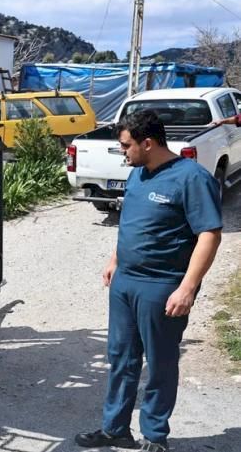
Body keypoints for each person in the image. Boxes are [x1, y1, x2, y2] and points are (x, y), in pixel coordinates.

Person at [75, 110, 222, 452]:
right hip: (126, 282)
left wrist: (187, 287)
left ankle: (155, 437)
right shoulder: (138, 174)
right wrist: (115, 260)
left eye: (126, 145)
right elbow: (130, 221)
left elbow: (209, 235)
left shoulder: (191, 178)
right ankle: (115, 430)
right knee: (121, 357)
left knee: (160, 362)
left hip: (162, 285)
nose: (122, 151)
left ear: (148, 142)